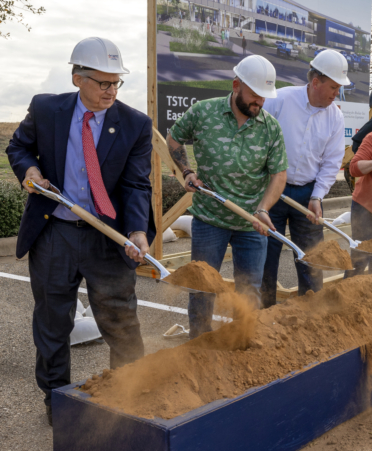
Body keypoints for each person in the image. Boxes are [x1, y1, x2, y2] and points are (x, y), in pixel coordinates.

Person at [6, 37, 155, 426]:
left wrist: (137, 231)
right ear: (77, 78)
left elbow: (137, 184)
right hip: (54, 231)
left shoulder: (135, 124)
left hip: (107, 234)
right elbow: (18, 147)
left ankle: (127, 396)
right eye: (102, 82)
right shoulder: (46, 108)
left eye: (116, 83)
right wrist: (30, 172)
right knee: (53, 321)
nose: (110, 91)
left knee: (121, 320)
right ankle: (58, 399)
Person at [166, 55, 288, 339]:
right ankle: (198, 342)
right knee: (203, 286)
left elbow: (278, 175)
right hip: (210, 219)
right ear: (236, 85)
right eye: (255, 96)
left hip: (251, 222)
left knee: (250, 289)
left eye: (263, 98)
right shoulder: (203, 112)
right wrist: (186, 170)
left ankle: (243, 342)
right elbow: (174, 139)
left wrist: (263, 209)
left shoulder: (270, 128)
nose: (259, 103)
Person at [261, 49, 349, 308]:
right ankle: (263, 316)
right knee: (266, 257)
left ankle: (311, 314)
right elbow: (258, 138)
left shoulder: (335, 116)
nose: (336, 93)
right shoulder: (281, 100)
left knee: (312, 260)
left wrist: (317, 196)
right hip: (273, 191)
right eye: (333, 87)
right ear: (315, 82)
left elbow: (332, 162)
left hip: (307, 193)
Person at [344, 132, 372, 278]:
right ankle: (346, 299)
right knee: (359, 259)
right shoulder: (371, 138)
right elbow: (354, 168)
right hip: (365, 208)